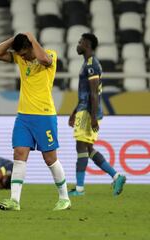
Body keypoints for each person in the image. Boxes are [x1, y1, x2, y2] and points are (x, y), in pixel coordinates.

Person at [0, 33, 71, 211]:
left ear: (31, 47)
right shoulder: (20, 58)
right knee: (19, 153)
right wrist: (14, 39)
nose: (23, 57)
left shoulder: (50, 55)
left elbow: (44, 59)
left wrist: (32, 39)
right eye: (20, 54)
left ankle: (64, 198)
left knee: (50, 158)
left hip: (44, 115)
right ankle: (14, 201)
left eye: (24, 53)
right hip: (23, 116)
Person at [68, 33, 126, 196]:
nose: (77, 45)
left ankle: (79, 189)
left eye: (79, 42)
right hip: (84, 109)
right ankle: (116, 176)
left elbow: (94, 93)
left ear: (87, 44)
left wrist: (92, 117)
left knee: (81, 147)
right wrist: (74, 112)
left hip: (88, 112)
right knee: (88, 148)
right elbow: (85, 93)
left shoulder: (92, 65)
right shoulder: (87, 63)